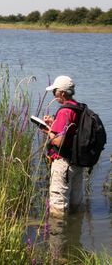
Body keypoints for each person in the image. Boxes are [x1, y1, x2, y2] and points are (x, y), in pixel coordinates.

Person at [42, 75, 84, 219]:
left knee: (58, 208)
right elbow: (71, 131)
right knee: (75, 204)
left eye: (55, 92)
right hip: (77, 162)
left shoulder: (64, 111)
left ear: (62, 93)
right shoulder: (78, 107)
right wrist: (54, 122)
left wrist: (47, 130)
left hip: (63, 163)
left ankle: (58, 238)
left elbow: (59, 142)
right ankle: (74, 235)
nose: (54, 95)